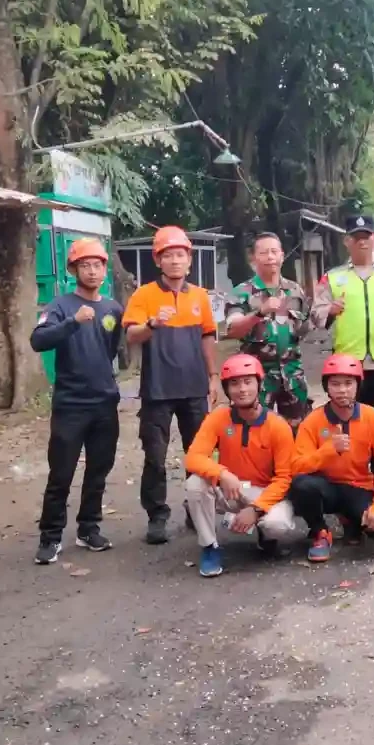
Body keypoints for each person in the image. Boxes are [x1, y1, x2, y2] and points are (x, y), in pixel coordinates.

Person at [122, 225, 222, 545]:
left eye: (180, 254)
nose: (175, 260)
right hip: (158, 390)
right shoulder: (144, 295)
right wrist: (152, 323)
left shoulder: (200, 296)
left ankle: (196, 510)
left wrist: (213, 376)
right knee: (155, 455)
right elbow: (130, 335)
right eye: (168, 255)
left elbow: (208, 337)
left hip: (194, 388)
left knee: (199, 453)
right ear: (158, 260)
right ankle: (157, 516)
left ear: (189, 261)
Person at [30, 239, 124, 565]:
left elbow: (111, 348)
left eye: (97, 264)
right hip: (70, 404)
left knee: (99, 469)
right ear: (73, 270)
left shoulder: (112, 308)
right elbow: (38, 340)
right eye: (85, 265)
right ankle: (50, 537)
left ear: (104, 268)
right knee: (62, 473)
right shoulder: (61, 305)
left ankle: (89, 528)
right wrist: (72, 323)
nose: (92, 270)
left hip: (104, 403)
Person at [183, 354, 297, 577]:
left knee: (277, 524)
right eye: (234, 383)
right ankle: (209, 546)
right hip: (230, 488)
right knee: (195, 484)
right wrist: (222, 473)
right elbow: (193, 457)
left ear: (259, 384)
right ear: (226, 389)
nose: (242, 389)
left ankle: (266, 538)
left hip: (262, 492)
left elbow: (285, 478)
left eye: (248, 382)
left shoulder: (277, 426)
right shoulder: (218, 417)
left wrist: (256, 510)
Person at [289, 354, 374, 562]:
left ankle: (351, 519)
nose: (342, 390)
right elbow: (296, 466)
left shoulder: (372, 417)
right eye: (335, 384)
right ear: (326, 387)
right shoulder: (313, 421)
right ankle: (320, 532)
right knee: (301, 485)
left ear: (358, 386)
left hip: (359, 486)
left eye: (349, 383)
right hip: (327, 487)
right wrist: (329, 450)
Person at [311, 215, 374, 431]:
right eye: (356, 238)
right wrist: (330, 311)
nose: (362, 242)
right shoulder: (332, 277)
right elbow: (316, 314)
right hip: (347, 364)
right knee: (350, 423)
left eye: (366, 236)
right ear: (347, 241)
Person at [224, 231, 313, 429]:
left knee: (298, 433)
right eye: (264, 252)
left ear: (282, 255)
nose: (270, 257)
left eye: (274, 251)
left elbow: (305, 327)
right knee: (256, 431)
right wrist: (259, 313)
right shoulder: (242, 293)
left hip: (292, 375)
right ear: (253, 258)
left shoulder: (295, 291)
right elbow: (233, 330)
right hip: (256, 376)